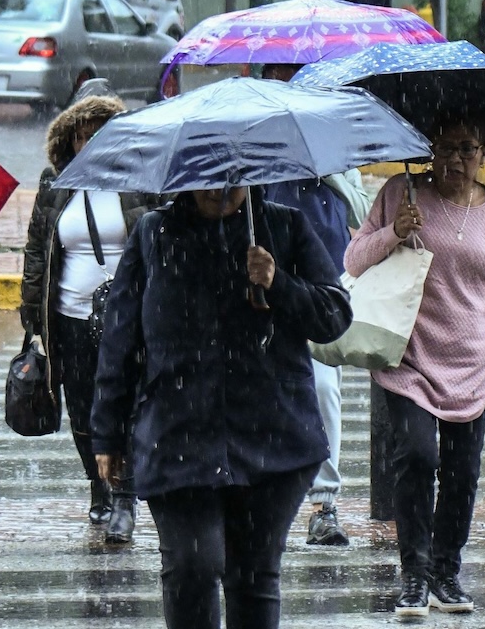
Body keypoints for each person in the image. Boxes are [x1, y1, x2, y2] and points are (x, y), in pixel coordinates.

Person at [343, 110, 485, 618]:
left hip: (471, 365)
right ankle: (413, 575)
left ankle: (445, 573)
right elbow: (354, 260)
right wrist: (393, 233)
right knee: (417, 458)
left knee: (461, 473)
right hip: (408, 359)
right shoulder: (399, 194)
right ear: (430, 149)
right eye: (446, 148)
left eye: (467, 148)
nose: (455, 159)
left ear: (484, 153)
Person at [90, 185, 353, 629]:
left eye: (230, 176)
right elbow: (121, 336)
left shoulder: (284, 226)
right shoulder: (155, 233)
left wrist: (278, 282)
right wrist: (107, 432)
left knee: (253, 577)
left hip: (273, 435)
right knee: (192, 567)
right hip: (177, 435)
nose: (219, 188)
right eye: (205, 175)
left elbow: (333, 316)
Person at [20, 87, 155, 544]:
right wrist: (32, 320)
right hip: (69, 318)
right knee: (83, 407)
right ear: (70, 140)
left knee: (130, 405)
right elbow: (37, 251)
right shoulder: (55, 183)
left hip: (130, 317)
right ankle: (98, 483)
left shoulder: (140, 180)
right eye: (83, 135)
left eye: (102, 132)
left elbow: (160, 242)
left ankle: (125, 498)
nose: (92, 142)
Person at [260, 62, 372, 546]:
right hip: (264, 286)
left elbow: (362, 213)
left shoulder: (336, 149)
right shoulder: (258, 144)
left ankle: (324, 504)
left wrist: (327, 170)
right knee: (264, 388)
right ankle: (264, 493)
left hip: (323, 286)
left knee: (324, 390)